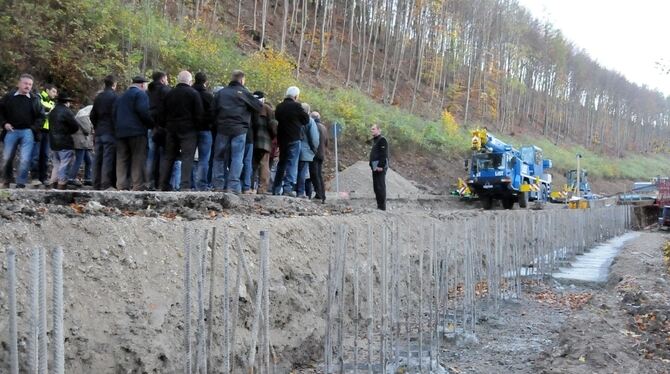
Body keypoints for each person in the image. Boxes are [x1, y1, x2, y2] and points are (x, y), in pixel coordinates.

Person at [211, 70, 262, 193]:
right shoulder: (244, 93)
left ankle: (218, 184)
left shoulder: (221, 93)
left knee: (219, 157)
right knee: (237, 158)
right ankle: (233, 185)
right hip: (240, 129)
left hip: (222, 128)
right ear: (242, 80)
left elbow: (212, 111)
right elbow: (258, 106)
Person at [159, 70, 203, 191]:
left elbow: (162, 112)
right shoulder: (193, 94)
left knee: (169, 157)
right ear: (190, 81)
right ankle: (185, 185)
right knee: (187, 158)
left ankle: (163, 184)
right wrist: (197, 127)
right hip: (188, 130)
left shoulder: (170, 93)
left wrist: (166, 125)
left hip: (171, 129)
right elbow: (199, 114)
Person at [0, 74, 45, 188]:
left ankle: (21, 182)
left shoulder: (35, 99)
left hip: (27, 131)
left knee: (25, 158)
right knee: (7, 157)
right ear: (19, 84)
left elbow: (41, 116)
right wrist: (4, 123)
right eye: (25, 83)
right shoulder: (9, 97)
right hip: (11, 130)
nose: (28, 86)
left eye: (30, 84)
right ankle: (6, 180)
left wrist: (33, 128)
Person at [113, 75, 154, 190]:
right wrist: (151, 124)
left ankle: (121, 185)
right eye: (145, 85)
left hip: (121, 132)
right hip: (137, 132)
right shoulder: (140, 94)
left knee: (122, 159)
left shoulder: (121, 96)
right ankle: (137, 185)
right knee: (138, 158)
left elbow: (114, 113)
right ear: (142, 85)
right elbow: (143, 111)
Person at [272, 86, 308, 196]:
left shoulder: (279, 107)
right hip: (294, 138)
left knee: (281, 163)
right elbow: (306, 119)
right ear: (296, 96)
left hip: (282, 138)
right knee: (292, 163)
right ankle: (288, 188)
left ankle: (276, 188)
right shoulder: (297, 106)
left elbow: (277, 118)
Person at [90, 75, 118, 190]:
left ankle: (95, 183)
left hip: (99, 131)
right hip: (110, 131)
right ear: (114, 84)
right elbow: (116, 114)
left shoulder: (98, 97)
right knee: (108, 157)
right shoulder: (115, 97)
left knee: (97, 158)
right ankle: (106, 184)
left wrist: (96, 126)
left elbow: (92, 115)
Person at [47, 92, 79, 190]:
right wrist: (68, 131)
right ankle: (61, 183)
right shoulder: (67, 112)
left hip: (53, 142)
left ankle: (53, 183)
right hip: (65, 141)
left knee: (56, 164)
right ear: (67, 102)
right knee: (64, 163)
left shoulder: (52, 112)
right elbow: (75, 126)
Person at [146, 71, 171, 189]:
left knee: (150, 155)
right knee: (164, 155)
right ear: (162, 79)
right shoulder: (166, 91)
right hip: (163, 127)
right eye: (166, 78)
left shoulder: (147, 91)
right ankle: (161, 183)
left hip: (150, 126)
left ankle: (148, 182)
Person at [31, 83, 57, 186]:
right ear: (47, 90)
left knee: (45, 156)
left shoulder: (51, 101)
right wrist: (49, 111)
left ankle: (43, 178)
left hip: (47, 131)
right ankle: (35, 177)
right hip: (38, 130)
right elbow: (40, 110)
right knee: (36, 155)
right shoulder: (38, 97)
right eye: (53, 91)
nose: (55, 94)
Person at [251, 91, 276, 194]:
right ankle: (262, 188)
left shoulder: (250, 106)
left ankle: (250, 187)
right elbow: (273, 125)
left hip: (252, 140)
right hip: (264, 141)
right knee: (264, 165)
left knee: (252, 165)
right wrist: (273, 135)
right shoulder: (267, 108)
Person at [192, 72, 214, 191]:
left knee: (188, 157)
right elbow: (212, 113)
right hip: (205, 129)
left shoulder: (189, 93)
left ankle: (188, 183)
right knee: (204, 158)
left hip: (190, 129)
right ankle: (201, 185)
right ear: (205, 82)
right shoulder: (208, 96)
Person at [296, 102, 319, 198]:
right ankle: (300, 192)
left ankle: (288, 189)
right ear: (308, 111)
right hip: (305, 150)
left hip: (293, 148)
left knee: (293, 170)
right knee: (302, 172)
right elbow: (314, 138)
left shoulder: (294, 119)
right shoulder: (310, 121)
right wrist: (314, 149)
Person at [69, 105, 94, 187]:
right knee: (79, 161)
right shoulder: (83, 118)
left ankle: (88, 178)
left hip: (83, 143)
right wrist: (92, 126)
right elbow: (87, 129)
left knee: (89, 161)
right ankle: (71, 178)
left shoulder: (81, 117)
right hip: (81, 142)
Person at [369, 124, 389, 210]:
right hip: (374, 165)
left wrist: (381, 166)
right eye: (371, 129)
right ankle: (379, 205)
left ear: (378, 130)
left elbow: (383, 154)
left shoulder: (382, 140)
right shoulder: (375, 140)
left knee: (380, 186)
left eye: (373, 129)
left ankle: (382, 207)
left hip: (379, 166)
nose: (372, 131)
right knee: (376, 186)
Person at [311, 111, 327, 203]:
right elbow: (326, 142)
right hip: (321, 153)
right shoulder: (323, 127)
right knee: (319, 175)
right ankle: (322, 195)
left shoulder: (314, 126)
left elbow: (313, 139)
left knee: (314, 174)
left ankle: (319, 194)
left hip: (315, 153)